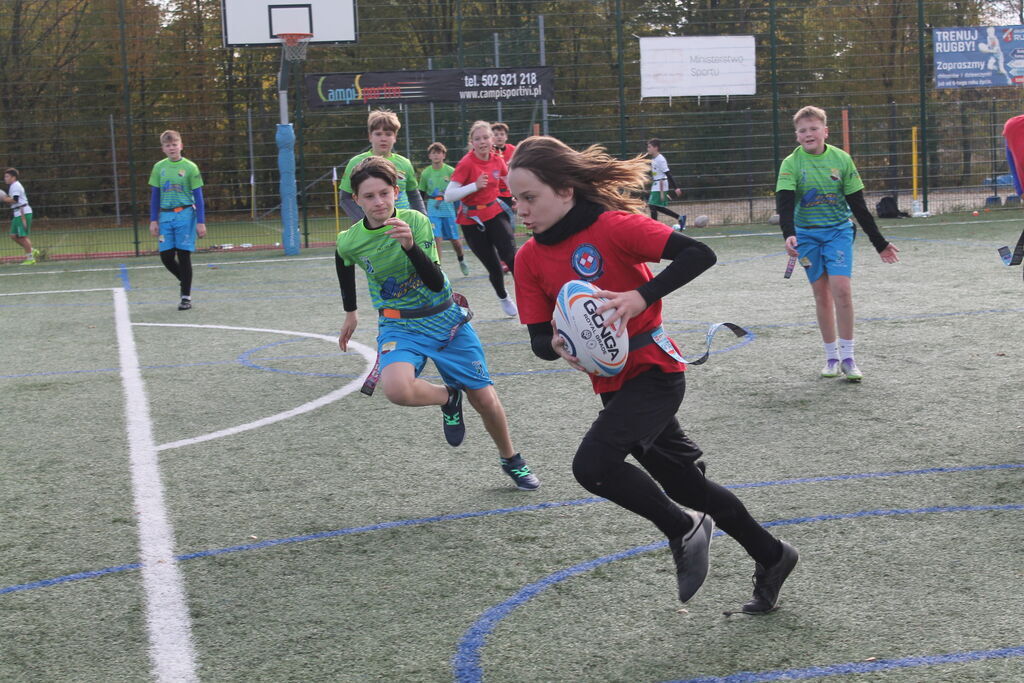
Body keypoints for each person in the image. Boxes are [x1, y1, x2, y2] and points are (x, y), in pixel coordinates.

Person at [508, 135, 798, 613]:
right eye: (515, 199)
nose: (520, 209)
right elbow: (539, 340)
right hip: (613, 385)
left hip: (657, 374)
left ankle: (684, 528)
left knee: (592, 467)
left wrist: (641, 297)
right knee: (687, 486)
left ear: (565, 191)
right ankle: (773, 555)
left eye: (529, 197)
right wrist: (558, 343)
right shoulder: (528, 260)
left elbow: (698, 253)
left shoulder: (612, 226)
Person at [336, 156, 539, 491]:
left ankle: (511, 458)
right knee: (397, 390)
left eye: (384, 193)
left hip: (445, 319)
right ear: (356, 200)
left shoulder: (414, 221)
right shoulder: (350, 239)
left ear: (395, 192)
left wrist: (410, 246)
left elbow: (432, 281)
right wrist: (351, 311)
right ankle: (447, 398)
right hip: (399, 325)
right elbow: (343, 261)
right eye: (369, 196)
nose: (378, 202)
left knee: (485, 398)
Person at [775, 106, 899, 382]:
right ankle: (831, 357)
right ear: (797, 136)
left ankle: (848, 357)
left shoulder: (841, 160)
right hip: (806, 236)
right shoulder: (791, 164)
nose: (809, 133)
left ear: (825, 131)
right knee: (821, 294)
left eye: (814, 128)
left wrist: (880, 243)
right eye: (803, 130)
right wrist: (789, 233)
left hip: (838, 232)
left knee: (841, 289)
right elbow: (784, 205)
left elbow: (859, 206)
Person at [445, 120, 519, 317]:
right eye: (477, 139)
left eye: (486, 137)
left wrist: (518, 197)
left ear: (492, 139)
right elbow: (449, 195)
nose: (482, 141)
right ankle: (504, 297)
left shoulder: (498, 160)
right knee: (494, 268)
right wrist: (474, 186)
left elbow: (507, 180)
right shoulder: (466, 164)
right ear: (472, 142)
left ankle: (527, 296)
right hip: (472, 222)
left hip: (494, 213)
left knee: (512, 258)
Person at [148, 130, 206, 310]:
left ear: (181, 145)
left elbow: (199, 196)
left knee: (183, 254)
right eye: (168, 145)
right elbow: (155, 196)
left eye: (174, 144)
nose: (172, 148)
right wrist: (153, 219)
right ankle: (185, 280)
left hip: (186, 215)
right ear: (163, 149)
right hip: (165, 216)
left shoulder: (191, 167)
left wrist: (201, 221)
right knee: (166, 256)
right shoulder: (159, 167)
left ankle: (185, 297)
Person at [338, 108, 426, 222]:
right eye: (378, 134)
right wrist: (366, 222)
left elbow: (414, 195)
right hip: (372, 231)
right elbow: (345, 198)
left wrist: (424, 219)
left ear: (395, 137)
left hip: (403, 227)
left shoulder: (405, 163)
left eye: (388, 134)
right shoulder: (356, 163)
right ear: (370, 136)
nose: (383, 138)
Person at [418, 142, 469, 276]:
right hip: (433, 209)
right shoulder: (426, 173)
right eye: (433, 153)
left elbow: (459, 190)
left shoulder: (450, 171)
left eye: (438, 152)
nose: (436, 155)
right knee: (436, 239)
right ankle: (438, 269)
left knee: (456, 242)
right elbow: (421, 193)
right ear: (429, 156)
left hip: (448, 209)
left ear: (444, 155)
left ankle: (461, 259)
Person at [646, 138, 685, 230]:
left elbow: (668, 173)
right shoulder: (654, 159)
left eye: (649, 147)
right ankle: (680, 218)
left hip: (661, 184)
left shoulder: (660, 159)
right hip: (658, 184)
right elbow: (657, 172)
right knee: (657, 206)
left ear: (655, 148)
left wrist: (676, 188)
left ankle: (654, 227)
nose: (648, 149)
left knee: (652, 205)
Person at [3, 168, 39, 265]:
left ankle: (30, 259)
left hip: (23, 213)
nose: (5, 178)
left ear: (13, 177)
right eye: (5, 176)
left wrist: (4, 199)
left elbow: (15, 199)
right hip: (17, 213)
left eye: (7, 176)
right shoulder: (13, 186)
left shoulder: (15, 186)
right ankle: (31, 250)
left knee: (23, 236)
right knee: (13, 235)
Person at [491, 122, 517, 224]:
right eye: (496, 135)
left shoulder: (513, 150)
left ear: (506, 137)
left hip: (509, 192)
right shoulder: (489, 152)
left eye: (502, 134)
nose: (499, 137)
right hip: (494, 193)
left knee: (510, 222)